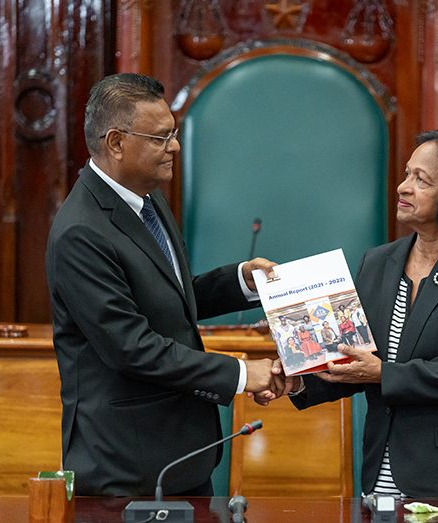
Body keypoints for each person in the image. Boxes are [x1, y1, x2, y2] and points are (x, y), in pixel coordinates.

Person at [45, 73, 283, 496]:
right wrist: (243, 373)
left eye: (173, 134)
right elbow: (131, 347)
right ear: (116, 142)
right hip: (125, 465)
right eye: (160, 137)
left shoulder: (148, 199)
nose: (174, 146)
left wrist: (241, 281)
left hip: (182, 455)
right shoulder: (81, 231)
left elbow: (166, 295)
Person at [262, 130, 438, 499]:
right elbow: (353, 356)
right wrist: (301, 376)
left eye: (421, 179)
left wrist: (383, 372)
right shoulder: (378, 262)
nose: (402, 187)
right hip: (384, 469)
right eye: (406, 173)